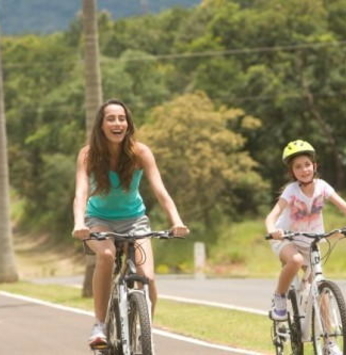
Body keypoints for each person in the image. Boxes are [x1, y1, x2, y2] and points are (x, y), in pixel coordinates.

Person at [72, 98, 189, 348]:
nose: (117, 123)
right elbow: (81, 192)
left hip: (135, 220)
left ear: (128, 123)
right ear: (101, 125)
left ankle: (144, 334)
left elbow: (160, 191)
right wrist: (79, 223)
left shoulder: (140, 152)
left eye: (122, 118)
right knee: (105, 256)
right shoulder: (88, 154)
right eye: (111, 118)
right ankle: (100, 325)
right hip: (98, 220)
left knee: (148, 278)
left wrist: (176, 221)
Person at [265, 139, 346, 355]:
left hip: (312, 240)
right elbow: (271, 216)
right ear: (292, 171)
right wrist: (273, 229)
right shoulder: (291, 191)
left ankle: (329, 342)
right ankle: (280, 298)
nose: (304, 169)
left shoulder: (323, 187)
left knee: (320, 290)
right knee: (296, 261)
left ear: (315, 166)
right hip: (287, 238)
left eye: (307, 164)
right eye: (298, 166)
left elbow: (343, 206)